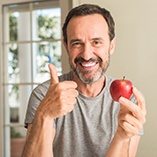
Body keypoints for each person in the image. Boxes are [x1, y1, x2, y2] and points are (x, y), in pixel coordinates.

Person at [22, 4, 146, 157]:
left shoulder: (128, 99)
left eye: (96, 42)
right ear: (66, 47)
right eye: (77, 43)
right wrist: (44, 115)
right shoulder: (44, 95)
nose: (86, 55)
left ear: (111, 46)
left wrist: (121, 137)